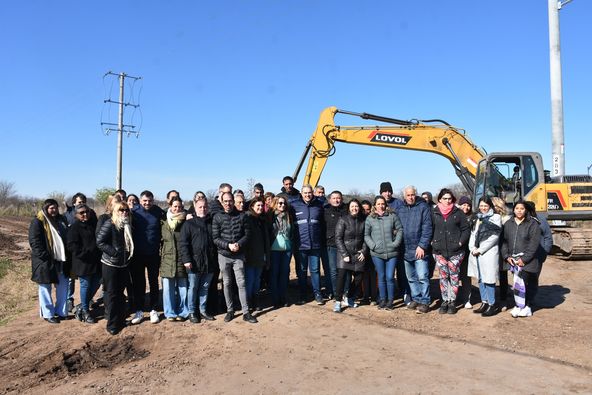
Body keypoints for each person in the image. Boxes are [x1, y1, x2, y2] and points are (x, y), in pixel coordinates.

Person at [212, 192, 257, 323]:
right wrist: (228, 245)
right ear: (221, 202)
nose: (228, 203)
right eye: (225, 201)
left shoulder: (242, 216)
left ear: (233, 201)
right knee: (226, 283)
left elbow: (247, 235)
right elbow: (215, 238)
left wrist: (239, 244)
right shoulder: (217, 217)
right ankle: (230, 310)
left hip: (238, 255)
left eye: (230, 201)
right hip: (224, 255)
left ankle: (246, 312)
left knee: (241, 283)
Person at [29, 199, 70, 324]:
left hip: (62, 259)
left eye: (56, 208)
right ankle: (48, 313)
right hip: (45, 261)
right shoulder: (38, 221)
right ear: (46, 208)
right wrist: (46, 256)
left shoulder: (61, 220)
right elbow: (35, 243)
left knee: (63, 286)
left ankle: (61, 311)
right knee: (45, 287)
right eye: (51, 208)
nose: (54, 210)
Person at [96, 201, 134, 335]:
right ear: (115, 211)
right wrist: (114, 252)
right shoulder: (110, 224)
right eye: (121, 210)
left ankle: (121, 319)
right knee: (112, 295)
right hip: (110, 265)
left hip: (123, 264)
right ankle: (111, 324)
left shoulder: (127, 225)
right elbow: (100, 241)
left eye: (126, 210)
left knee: (120, 294)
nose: (124, 212)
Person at [431, 189, 470, 314]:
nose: (447, 201)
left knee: (454, 276)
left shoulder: (458, 213)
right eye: (445, 198)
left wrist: (459, 243)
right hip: (439, 251)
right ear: (440, 199)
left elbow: (466, 229)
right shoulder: (434, 212)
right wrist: (432, 242)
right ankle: (445, 300)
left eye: (449, 198)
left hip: (456, 252)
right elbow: (429, 228)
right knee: (443, 277)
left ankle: (452, 301)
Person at [501, 201, 542, 318]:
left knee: (526, 283)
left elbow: (534, 244)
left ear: (526, 210)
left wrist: (524, 259)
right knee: (517, 284)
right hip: (513, 260)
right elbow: (504, 242)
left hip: (527, 261)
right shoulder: (509, 223)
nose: (519, 210)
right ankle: (519, 305)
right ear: (513, 210)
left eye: (522, 209)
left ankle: (527, 306)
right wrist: (506, 256)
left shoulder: (533, 224)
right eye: (517, 208)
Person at [130, 190, 165, 325]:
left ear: (153, 200)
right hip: (137, 254)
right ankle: (139, 309)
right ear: (140, 200)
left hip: (153, 253)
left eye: (149, 200)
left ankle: (153, 309)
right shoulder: (133, 212)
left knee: (153, 282)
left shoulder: (158, 212)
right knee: (139, 283)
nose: (147, 203)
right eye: (145, 200)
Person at [396, 186, 433, 314]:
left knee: (422, 276)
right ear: (404, 196)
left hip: (419, 249)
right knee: (411, 277)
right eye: (408, 195)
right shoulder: (400, 209)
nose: (411, 197)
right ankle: (416, 298)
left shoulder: (423, 207)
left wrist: (422, 245)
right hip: (405, 249)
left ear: (415, 194)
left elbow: (427, 228)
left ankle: (425, 301)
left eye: (412, 195)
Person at [180, 198, 217, 323]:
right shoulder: (189, 224)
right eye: (200, 207)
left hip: (209, 262)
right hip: (194, 262)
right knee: (193, 288)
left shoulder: (212, 223)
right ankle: (192, 312)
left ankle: (203, 310)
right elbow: (183, 244)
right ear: (195, 208)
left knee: (205, 288)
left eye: (205, 207)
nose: (203, 209)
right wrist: (186, 259)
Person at [364, 195, 403, 309]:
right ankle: (382, 299)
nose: (381, 206)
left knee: (390, 277)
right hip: (377, 253)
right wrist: (373, 246)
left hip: (392, 253)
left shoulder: (392, 216)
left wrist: (395, 243)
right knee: (381, 276)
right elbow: (366, 235)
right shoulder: (370, 218)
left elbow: (400, 229)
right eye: (378, 204)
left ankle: (390, 300)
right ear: (374, 205)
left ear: (385, 205)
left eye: (383, 204)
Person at [67, 204, 101, 323]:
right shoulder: (74, 227)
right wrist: (85, 253)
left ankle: (81, 306)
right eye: (81, 213)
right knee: (85, 285)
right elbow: (72, 246)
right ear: (76, 215)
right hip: (83, 263)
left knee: (97, 282)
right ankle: (86, 311)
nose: (85, 214)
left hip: (96, 262)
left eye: (87, 212)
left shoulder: (93, 224)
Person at [468, 196, 502, 317]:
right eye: (481, 206)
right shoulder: (477, 218)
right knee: (480, 278)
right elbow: (473, 233)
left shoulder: (495, 218)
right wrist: (472, 248)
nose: (483, 208)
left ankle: (492, 304)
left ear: (490, 207)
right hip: (476, 252)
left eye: (485, 206)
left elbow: (494, 237)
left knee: (489, 279)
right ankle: (484, 302)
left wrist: (480, 250)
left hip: (487, 253)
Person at [291, 184, 325, 305]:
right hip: (300, 245)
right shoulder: (294, 205)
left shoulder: (319, 205)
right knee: (302, 271)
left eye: (309, 193)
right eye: (305, 193)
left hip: (315, 245)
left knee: (315, 270)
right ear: (301, 193)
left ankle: (317, 294)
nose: (307, 195)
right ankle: (303, 294)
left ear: (313, 193)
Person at [333, 199, 368, 313]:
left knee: (359, 278)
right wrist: (344, 254)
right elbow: (338, 238)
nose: (354, 208)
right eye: (352, 206)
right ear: (349, 208)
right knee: (341, 278)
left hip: (358, 253)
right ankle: (338, 301)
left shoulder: (364, 220)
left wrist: (363, 251)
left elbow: (366, 238)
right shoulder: (343, 220)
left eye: (356, 206)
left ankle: (349, 297)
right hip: (345, 254)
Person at [160, 196, 189, 321]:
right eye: (175, 206)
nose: (177, 209)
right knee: (167, 290)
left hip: (182, 260)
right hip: (167, 260)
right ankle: (170, 312)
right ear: (170, 206)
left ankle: (183, 312)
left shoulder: (186, 222)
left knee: (183, 289)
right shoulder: (163, 223)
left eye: (180, 207)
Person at [380, 181, 410, 303]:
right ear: (381, 192)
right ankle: (385, 294)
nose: (387, 193)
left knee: (402, 270)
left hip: (399, 243)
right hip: (384, 245)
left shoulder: (398, 204)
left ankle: (405, 292)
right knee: (386, 273)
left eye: (389, 191)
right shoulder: (378, 204)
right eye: (385, 191)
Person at [524, 201, 553, 306]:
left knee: (533, 278)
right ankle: (521, 299)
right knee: (521, 279)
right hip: (522, 256)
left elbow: (548, 237)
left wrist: (545, 252)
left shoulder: (541, 220)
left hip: (537, 255)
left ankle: (530, 299)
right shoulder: (520, 220)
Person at [267, 196, 294, 308]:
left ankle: (283, 297)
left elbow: (291, 230)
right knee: (274, 274)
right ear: (275, 204)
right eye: (280, 203)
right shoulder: (270, 217)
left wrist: (291, 243)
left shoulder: (288, 216)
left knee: (284, 274)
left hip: (286, 249)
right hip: (274, 250)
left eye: (284, 203)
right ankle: (275, 299)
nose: (282, 205)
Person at [245, 199, 270, 311]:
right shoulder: (247, 218)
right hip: (250, 256)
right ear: (252, 206)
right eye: (258, 205)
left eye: (262, 205)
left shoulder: (262, 219)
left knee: (257, 280)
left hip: (260, 255)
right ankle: (248, 302)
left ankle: (255, 301)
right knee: (249, 281)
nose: (260, 207)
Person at [322, 190, 346, 299]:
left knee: (343, 270)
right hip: (330, 245)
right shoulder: (325, 211)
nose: (336, 200)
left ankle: (344, 292)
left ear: (342, 199)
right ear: (329, 200)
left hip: (344, 245)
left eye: (338, 198)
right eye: (334, 198)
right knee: (332, 270)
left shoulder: (346, 211)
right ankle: (334, 292)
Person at [491, 196, 512, 310]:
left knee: (503, 276)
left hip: (502, 249)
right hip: (491, 249)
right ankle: (491, 299)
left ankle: (503, 300)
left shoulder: (506, 220)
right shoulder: (490, 218)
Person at [457, 195, 475, 308]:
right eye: (464, 204)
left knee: (465, 276)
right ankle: (452, 298)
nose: (466, 207)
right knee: (453, 276)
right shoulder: (455, 216)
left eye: (468, 205)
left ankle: (466, 299)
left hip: (468, 252)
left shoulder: (473, 218)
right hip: (456, 250)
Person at [359, 199, 377, 305]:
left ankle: (374, 297)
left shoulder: (374, 219)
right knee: (364, 274)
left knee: (373, 274)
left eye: (368, 209)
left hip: (373, 250)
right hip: (362, 250)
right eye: (363, 209)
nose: (366, 211)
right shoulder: (359, 220)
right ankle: (365, 296)